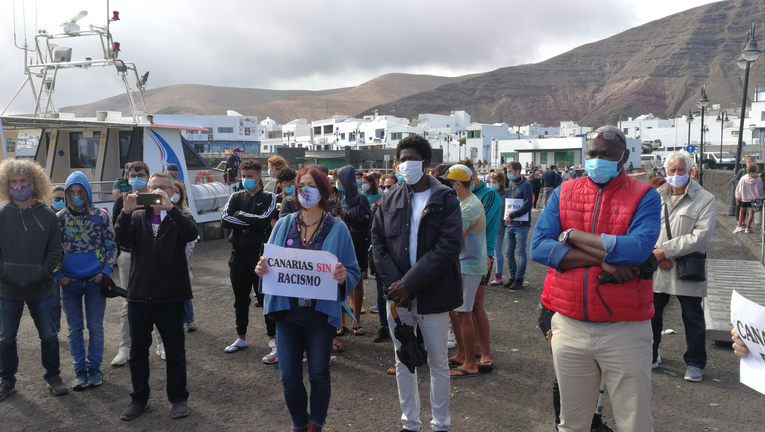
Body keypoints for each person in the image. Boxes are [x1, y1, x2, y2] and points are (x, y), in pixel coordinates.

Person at [530, 126, 661, 432]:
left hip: (625, 328)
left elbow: (638, 249)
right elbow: (538, 247)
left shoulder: (645, 195)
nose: (597, 160)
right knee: (572, 423)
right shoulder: (565, 192)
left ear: (624, 157)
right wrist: (605, 260)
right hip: (569, 324)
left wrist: (571, 236)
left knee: (635, 423)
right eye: (592, 154)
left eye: (606, 155)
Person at [256, 166, 360, 432]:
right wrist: (262, 269)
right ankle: (299, 424)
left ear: (323, 189)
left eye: (310, 185)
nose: (304, 190)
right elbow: (269, 265)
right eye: (300, 185)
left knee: (318, 374)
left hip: (320, 316)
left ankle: (317, 424)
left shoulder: (338, 228)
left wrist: (341, 276)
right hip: (287, 314)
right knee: (289, 377)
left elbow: (353, 270)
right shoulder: (283, 224)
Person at [372, 135, 463, 432]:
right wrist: (395, 286)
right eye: (401, 159)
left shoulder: (445, 198)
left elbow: (448, 247)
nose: (405, 164)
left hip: (431, 294)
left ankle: (441, 425)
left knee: (438, 363)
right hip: (397, 298)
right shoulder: (389, 199)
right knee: (404, 361)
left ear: (425, 163)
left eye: (411, 159)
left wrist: (409, 284)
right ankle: (410, 423)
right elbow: (378, 244)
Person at [114, 172, 198, 420]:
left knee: (175, 350)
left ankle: (179, 398)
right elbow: (122, 239)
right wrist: (126, 211)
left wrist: (171, 208)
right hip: (139, 295)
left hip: (171, 295)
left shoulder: (181, 216)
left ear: (173, 191)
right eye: (154, 188)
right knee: (138, 352)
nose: (158, 192)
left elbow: (191, 233)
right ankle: (139, 398)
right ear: (144, 191)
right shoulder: (137, 215)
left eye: (163, 188)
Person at [0, 159, 68, 401]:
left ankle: (53, 376)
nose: (19, 186)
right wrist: (5, 273)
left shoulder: (48, 215)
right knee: (6, 338)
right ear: (7, 185)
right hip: (7, 290)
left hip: (41, 288)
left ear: (34, 182)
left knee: (49, 335)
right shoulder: (1, 215)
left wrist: (42, 273)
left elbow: (55, 251)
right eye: (14, 182)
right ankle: (7, 381)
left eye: (24, 181)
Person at [652, 151, 716, 382]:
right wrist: (656, 255)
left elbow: (701, 236)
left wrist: (665, 251)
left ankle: (695, 362)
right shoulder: (655, 196)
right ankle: (651, 353)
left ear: (690, 171)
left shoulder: (705, 198)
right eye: (672, 170)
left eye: (681, 170)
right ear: (665, 172)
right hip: (658, 266)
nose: (676, 174)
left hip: (687, 267)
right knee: (651, 314)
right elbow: (644, 228)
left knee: (692, 317)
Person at [55, 171, 117, 390]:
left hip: (95, 281)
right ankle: (79, 370)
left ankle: (95, 369)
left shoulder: (101, 216)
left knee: (96, 328)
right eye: (71, 191)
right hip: (69, 283)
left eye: (79, 191)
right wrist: (58, 275)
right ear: (66, 193)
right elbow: (51, 250)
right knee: (74, 329)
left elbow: (111, 245)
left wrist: (106, 271)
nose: (76, 195)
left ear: (86, 192)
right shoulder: (60, 217)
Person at [220, 160, 279, 363]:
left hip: (260, 255)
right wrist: (253, 221)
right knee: (240, 299)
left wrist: (242, 216)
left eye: (249, 176)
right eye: (243, 176)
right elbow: (224, 220)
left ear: (259, 176)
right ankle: (240, 337)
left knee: (265, 298)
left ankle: (273, 339)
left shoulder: (269, 197)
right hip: (237, 254)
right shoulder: (235, 196)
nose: (246, 180)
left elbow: (265, 222)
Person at [445, 164, 487, 378]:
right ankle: (463, 354)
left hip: (469, 265)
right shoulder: (467, 203)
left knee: (463, 313)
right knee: (457, 312)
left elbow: (455, 236)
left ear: (458, 184)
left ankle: (470, 362)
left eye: (450, 183)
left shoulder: (469, 206)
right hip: (466, 264)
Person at [460, 159, 501, 371]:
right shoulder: (466, 198)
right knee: (466, 307)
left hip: (482, 255)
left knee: (476, 304)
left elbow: (475, 225)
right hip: (465, 256)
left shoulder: (489, 196)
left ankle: (485, 353)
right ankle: (473, 348)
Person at [110, 161, 151, 367]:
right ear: (127, 177)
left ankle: (161, 344)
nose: (137, 177)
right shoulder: (122, 200)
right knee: (128, 301)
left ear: (147, 176)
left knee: (159, 298)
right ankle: (125, 347)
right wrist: (117, 255)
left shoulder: (156, 198)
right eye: (133, 174)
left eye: (141, 174)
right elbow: (117, 229)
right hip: (127, 256)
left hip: (152, 256)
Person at [336, 166, 372, 338]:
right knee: (340, 282)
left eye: (340, 180)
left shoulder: (360, 198)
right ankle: (341, 321)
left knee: (357, 282)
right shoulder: (339, 197)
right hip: (341, 241)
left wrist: (345, 214)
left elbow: (364, 223)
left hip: (357, 242)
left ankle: (356, 319)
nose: (338, 183)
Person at [501, 161, 533, 290]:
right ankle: (513, 276)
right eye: (507, 172)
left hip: (521, 225)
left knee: (520, 253)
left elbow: (527, 205)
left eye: (510, 172)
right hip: (509, 224)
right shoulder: (511, 184)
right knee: (508, 252)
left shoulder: (526, 186)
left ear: (517, 171)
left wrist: (513, 215)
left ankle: (519, 278)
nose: (508, 174)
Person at [173, 179, 197, 332]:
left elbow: (192, 235)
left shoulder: (185, 212)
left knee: (184, 289)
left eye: (177, 192)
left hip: (183, 257)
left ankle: (189, 319)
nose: (173, 195)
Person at [49, 185, 66, 332]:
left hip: (68, 262)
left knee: (69, 299)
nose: (61, 201)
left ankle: (73, 328)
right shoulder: (45, 215)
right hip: (52, 263)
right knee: (54, 299)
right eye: (57, 198)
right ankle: (55, 327)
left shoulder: (69, 214)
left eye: (63, 198)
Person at [489, 171, 508, 286]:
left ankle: (499, 275)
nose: (492, 184)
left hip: (500, 226)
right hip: (491, 226)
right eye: (491, 182)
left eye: (494, 182)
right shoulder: (490, 193)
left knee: (498, 251)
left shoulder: (506, 194)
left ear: (500, 183)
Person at [734, 163, 764, 233]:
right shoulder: (758, 179)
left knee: (741, 212)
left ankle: (739, 226)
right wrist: (760, 199)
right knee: (751, 213)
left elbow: (739, 189)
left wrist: (738, 197)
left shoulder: (743, 178)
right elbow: (761, 190)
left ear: (747, 170)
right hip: (754, 199)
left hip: (744, 198)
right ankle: (748, 228)